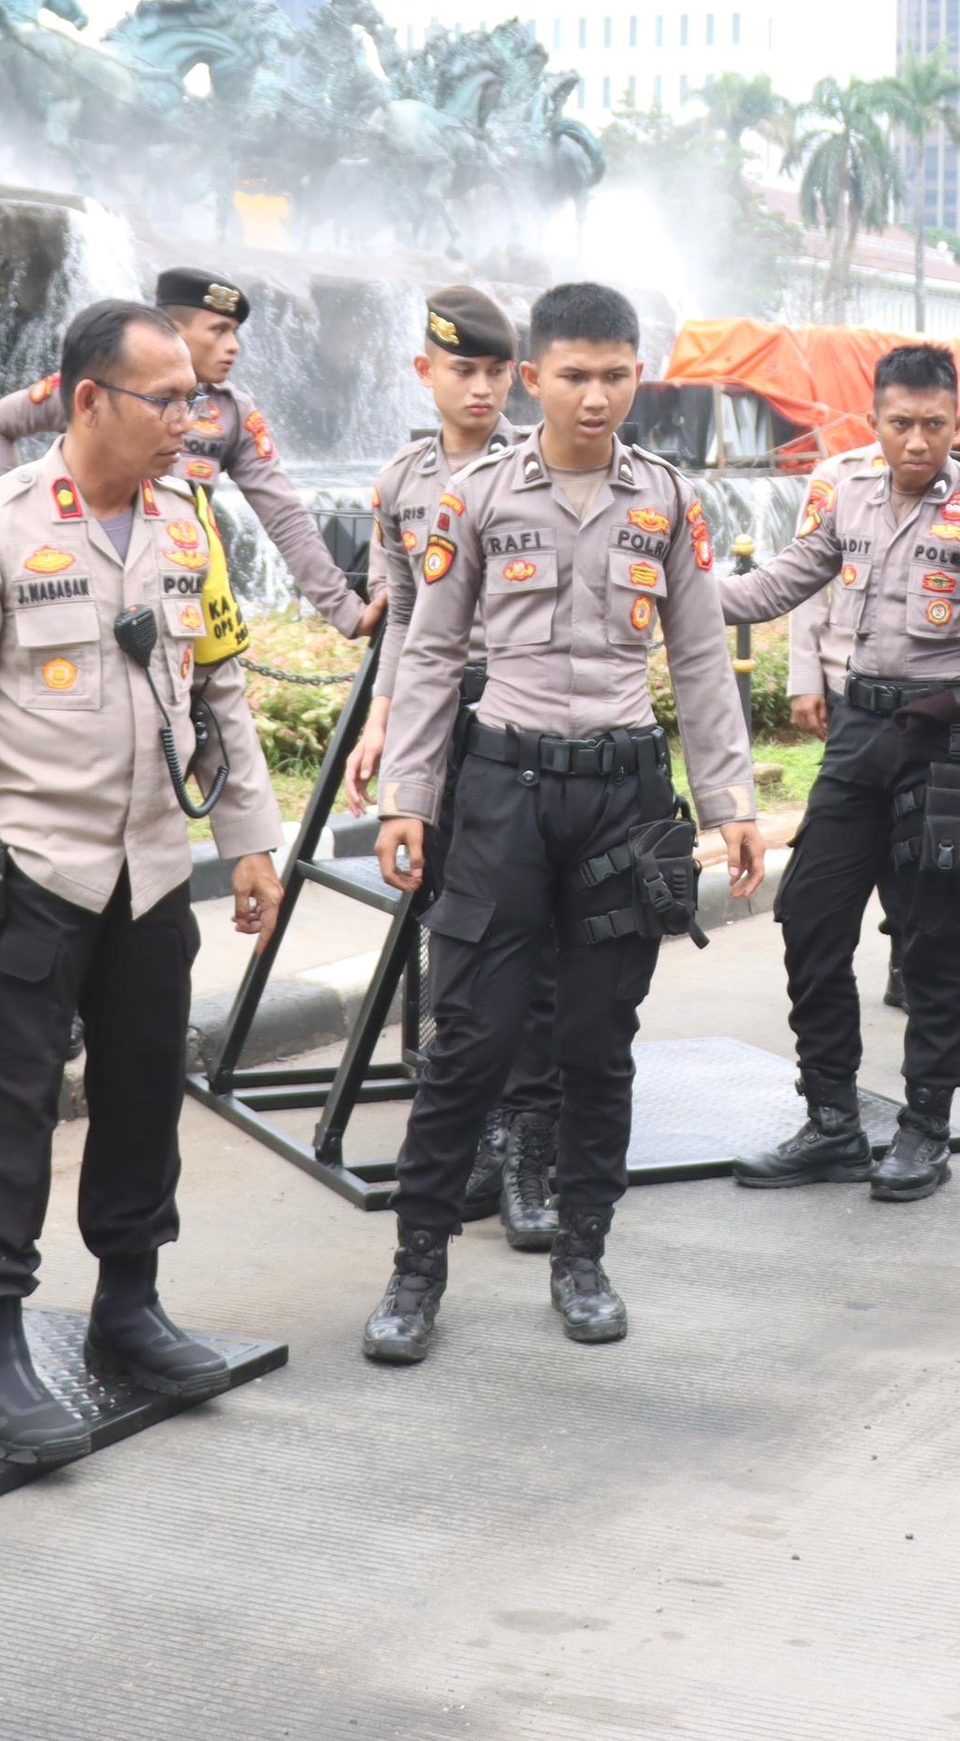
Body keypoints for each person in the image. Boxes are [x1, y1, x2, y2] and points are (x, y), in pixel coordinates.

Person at [0, 298, 287, 1465]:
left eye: (195, 400)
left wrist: (251, 836)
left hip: (154, 869)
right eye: (165, 401)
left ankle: (128, 1304)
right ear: (86, 401)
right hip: (36, 872)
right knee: (5, 1111)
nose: (188, 420)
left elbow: (220, 687)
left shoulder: (187, 524)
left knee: (143, 1092)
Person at [361, 284, 764, 1361]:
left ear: (640, 375)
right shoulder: (477, 495)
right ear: (532, 377)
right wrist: (408, 795)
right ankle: (416, 1269)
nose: (597, 396)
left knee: (598, 1042)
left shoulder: (669, 499)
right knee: (472, 1038)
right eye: (575, 375)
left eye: (617, 373)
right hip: (502, 789)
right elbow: (432, 650)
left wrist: (730, 802)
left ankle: (582, 1253)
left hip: (622, 798)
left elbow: (699, 657)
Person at [714, 344, 960, 1201]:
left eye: (934, 425)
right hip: (860, 731)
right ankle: (830, 1118)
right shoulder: (845, 493)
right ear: (874, 422)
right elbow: (780, 586)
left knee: (933, 936)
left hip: (945, 737)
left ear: (957, 424)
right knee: (808, 912)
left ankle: (925, 1126)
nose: (916, 441)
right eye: (900, 424)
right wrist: (674, 583)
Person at [340, 286, 563, 1248]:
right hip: (440, 725)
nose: (479, 387)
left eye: (494, 370)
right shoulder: (398, 485)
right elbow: (401, 621)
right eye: (459, 369)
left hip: (524, 729)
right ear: (424, 372)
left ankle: (528, 1147)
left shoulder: (542, 468)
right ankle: (469, 1130)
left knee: (535, 946)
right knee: (456, 941)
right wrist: (381, 725)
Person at [0, 266, 381, 643]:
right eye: (219, 330)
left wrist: (345, 610)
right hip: (86, 578)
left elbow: (285, 515)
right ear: (171, 329)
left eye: (235, 333)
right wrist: (21, 522)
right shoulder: (102, 390)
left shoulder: (233, 412)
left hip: (185, 590)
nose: (233, 346)